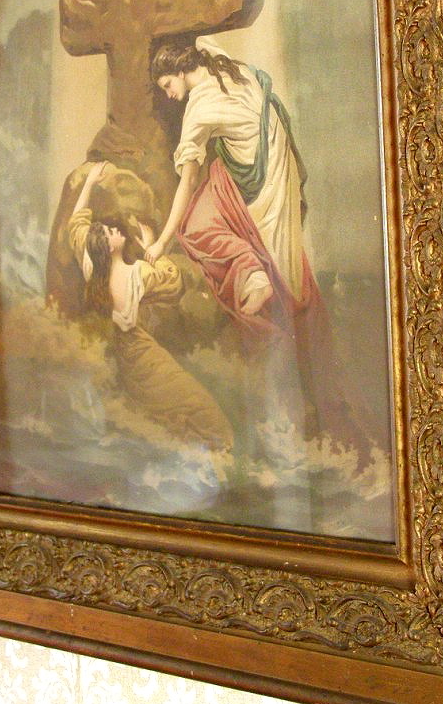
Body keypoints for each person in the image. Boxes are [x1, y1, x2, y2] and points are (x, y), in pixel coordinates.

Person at [146, 39, 327, 364]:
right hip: (276, 162)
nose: (169, 94)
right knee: (219, 176)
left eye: (167, 84)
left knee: (194, 226)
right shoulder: (222, 64)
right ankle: (256, 275)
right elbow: (209, 46)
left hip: (260, 176)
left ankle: (253, 277)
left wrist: (162, 242)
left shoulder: (199, 109)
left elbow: (187, 182)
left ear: (180, 71)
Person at [64, 161, 234, 451]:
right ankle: (218, 448)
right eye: (108, 232)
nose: (113, 229)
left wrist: (89, 183)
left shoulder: (91, 267)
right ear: (108, 247)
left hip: (112, 353)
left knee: (150, 413)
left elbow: (76, 224)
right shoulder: (138, 275)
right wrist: (153, 247)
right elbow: (174, 280)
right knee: (195, 405)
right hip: (140, 354)